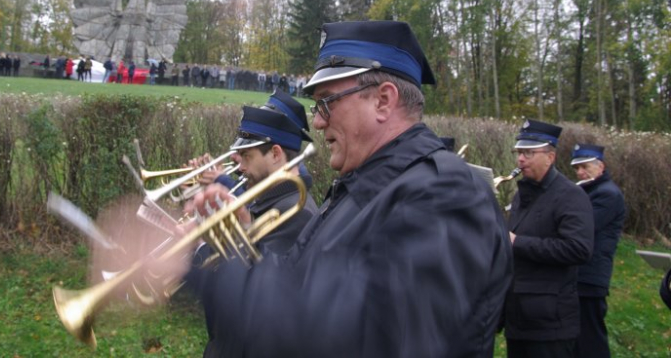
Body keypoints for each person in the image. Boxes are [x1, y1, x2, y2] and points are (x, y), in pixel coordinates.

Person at [185, 20, 512, 356]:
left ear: (384, 101)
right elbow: (298, 282)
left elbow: (368, 336)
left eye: (328, 101)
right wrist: (238, 239)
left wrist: (218, 274)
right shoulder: (361, 185)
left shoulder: (446, 194)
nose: (317, 121)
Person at [189, 104, 318, 357]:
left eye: (247, 156)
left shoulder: (297, 214)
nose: (239, 167)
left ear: (275, 154)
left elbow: (252, 298)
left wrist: (201, 248)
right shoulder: (263, 199)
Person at [504, 119, 594, 358]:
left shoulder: (571, 195)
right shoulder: (522, 194)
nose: (520, 159)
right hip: (518, 319)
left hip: (549, 324)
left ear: (550, 157)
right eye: (519, 153)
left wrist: (516, 242)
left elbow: (578, 249)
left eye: (528, 153)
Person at [570, 144, 625, 358]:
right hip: (580, 274)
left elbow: (583, 226)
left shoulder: (608, 194)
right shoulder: (587, 190)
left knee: (591, 339)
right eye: (577, 168)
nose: (580, 173)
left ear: (600, 166)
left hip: (591, 276)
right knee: (577, 338)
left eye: (585, 167)